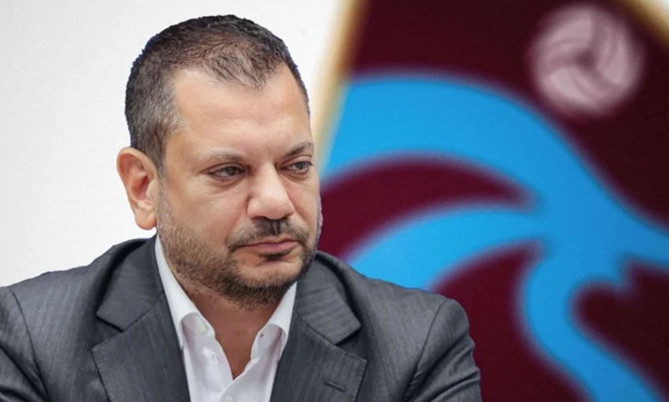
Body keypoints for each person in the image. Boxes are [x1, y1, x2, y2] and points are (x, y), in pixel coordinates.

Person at [0, 15, 481, 401]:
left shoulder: (417, 345)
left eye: (296, 165)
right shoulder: (34, 340)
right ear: (144, 187)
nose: (276, 202)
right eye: (229, 171)